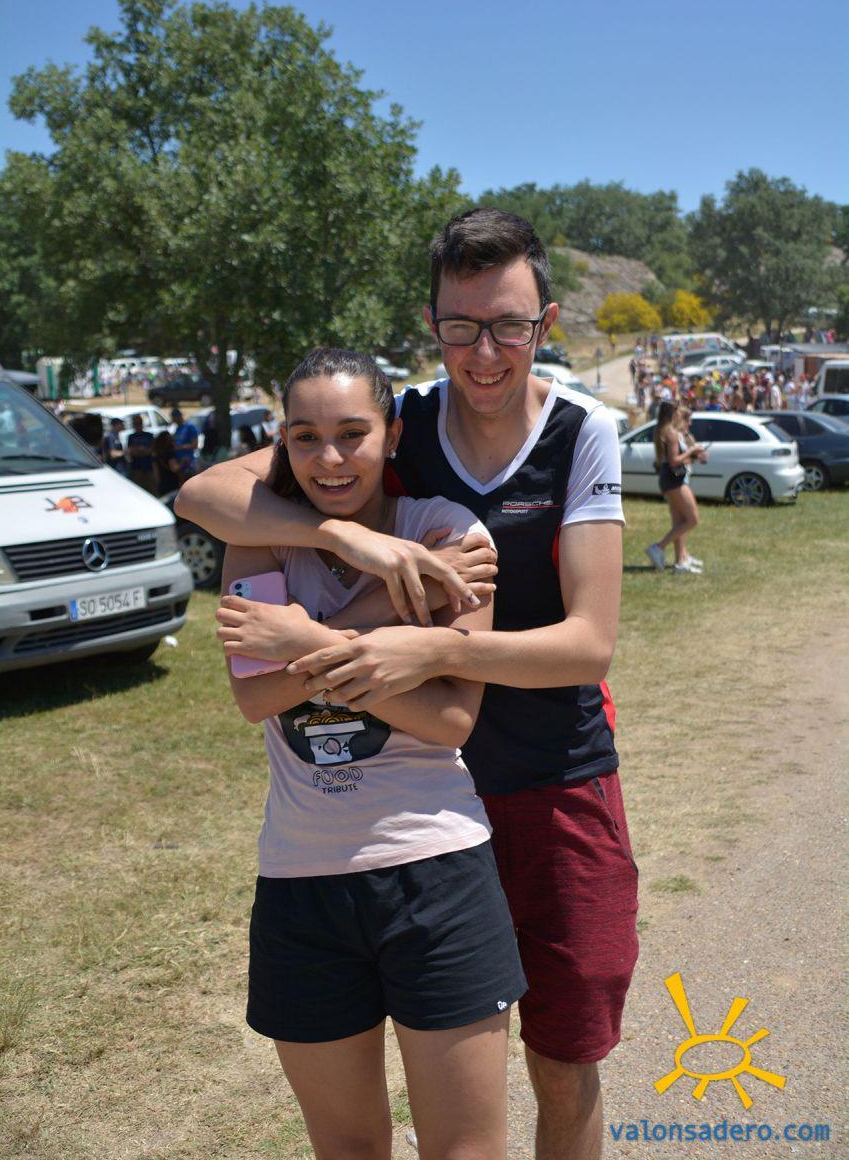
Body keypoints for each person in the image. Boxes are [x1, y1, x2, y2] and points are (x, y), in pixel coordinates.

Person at [177, 208, 637, 1160]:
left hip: (549, 775)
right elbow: (204, 495)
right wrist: (345, 539)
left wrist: (429, 653)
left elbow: (587, 645)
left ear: (546, 323)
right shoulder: (394, 420)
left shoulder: (582, 431)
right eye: (460, 326)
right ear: (432, 325)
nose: (484, 352)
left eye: (508, 325)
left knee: (561, 1059)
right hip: (418, 795)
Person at [216, 348, 525, 1159]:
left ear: (392, 435)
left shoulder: (447, 531)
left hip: (437, 870)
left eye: (352, 433)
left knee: (464, 1150)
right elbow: (255, 698)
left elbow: (449, 717)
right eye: (304, 436)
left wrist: (302, 640)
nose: (328, 458)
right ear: (281, 442)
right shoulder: (258, 536)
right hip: (300, 885)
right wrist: (390, 611)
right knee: (347, 1148)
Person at [645, 402, 706, 574]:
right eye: (678, 411)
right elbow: (674, 461)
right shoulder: (670, 433)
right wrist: (692, 450)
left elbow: (673, 459)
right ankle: (658, 547)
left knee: (680, 522)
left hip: (669, 479)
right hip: (674, 480)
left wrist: (693, 455)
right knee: (692, 519)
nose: (680, 414)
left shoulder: (665, 431)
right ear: (673, 414)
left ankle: (681, 561)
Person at [126, 413, 155, 490]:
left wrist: (140, 451)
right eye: (135, 424)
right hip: (136, 467)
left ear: (142, 424)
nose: (137, 425)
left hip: (148, 467)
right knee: (137, 489)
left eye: (139, 423)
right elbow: (131, 451)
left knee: (151, 488)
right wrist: (142, 451)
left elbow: (152, 449)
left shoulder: (149, 435)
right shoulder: (131, 437)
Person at [153, 430, 184, 495]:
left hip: (162, 486)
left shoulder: (156, 454)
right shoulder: (170, 453)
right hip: (172, 484)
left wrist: (159, 485)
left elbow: (156, 474)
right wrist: (184, 463)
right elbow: (174, 468)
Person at [170, 407, 199, 477]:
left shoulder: (190, 427)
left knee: (188, 479)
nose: (173, 420)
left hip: (188, 462)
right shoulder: (177, 429)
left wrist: (181, 447)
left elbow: (195, 445)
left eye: (174, 417)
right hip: (179, 462)